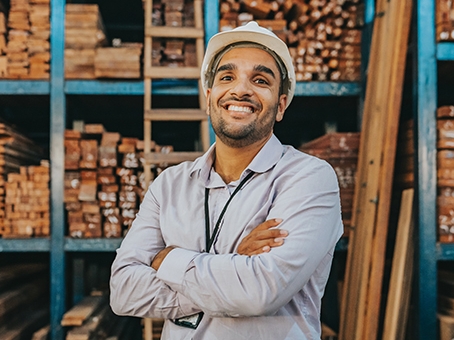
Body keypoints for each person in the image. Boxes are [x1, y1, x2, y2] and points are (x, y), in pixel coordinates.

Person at [110, 21, 343, 339]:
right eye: (227, 77)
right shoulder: (169, 185)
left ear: (281, 106)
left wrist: (167, 260)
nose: (241, 90)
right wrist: (232, 266)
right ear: (208, 97)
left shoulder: (309, 178)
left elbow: (261, 291)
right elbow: (124, 290)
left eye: (260, 80)